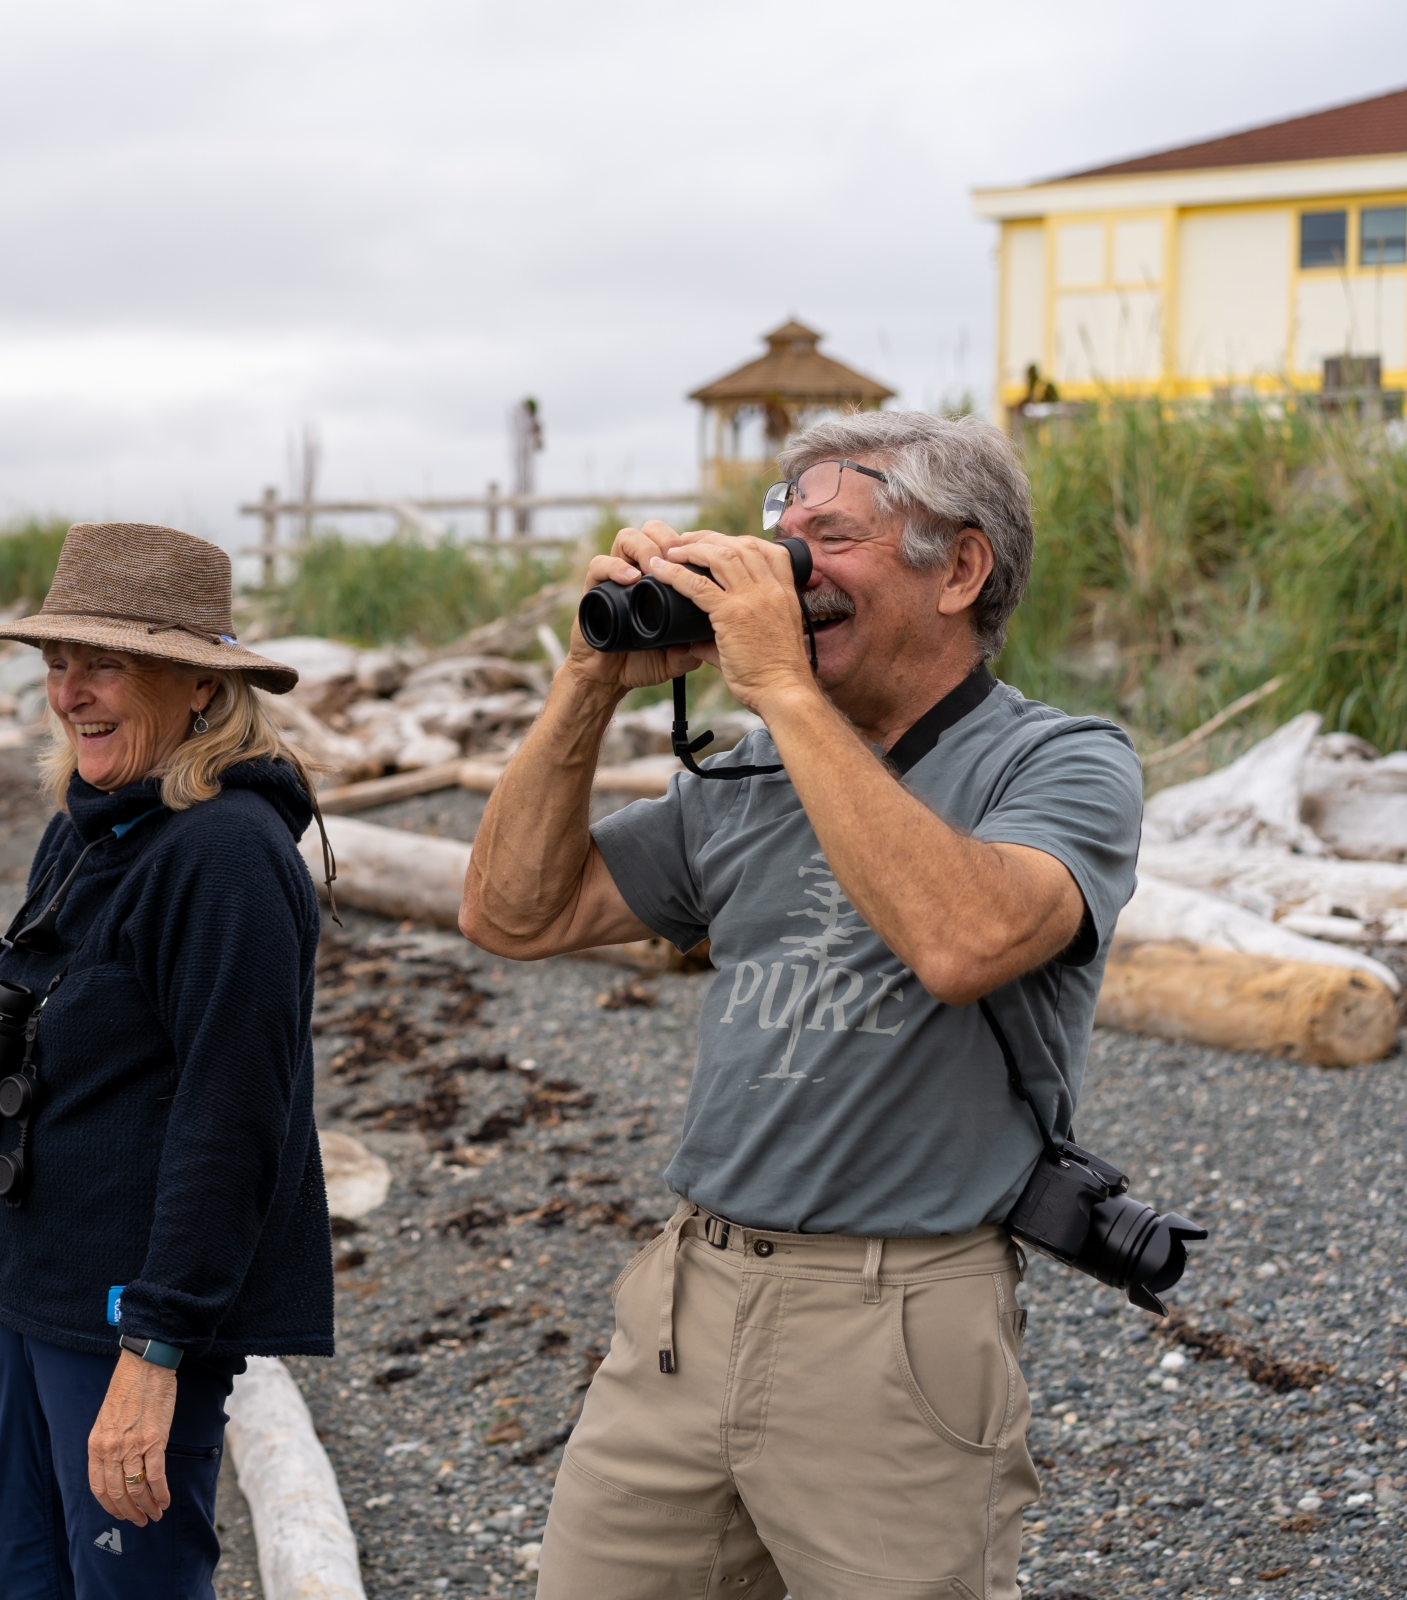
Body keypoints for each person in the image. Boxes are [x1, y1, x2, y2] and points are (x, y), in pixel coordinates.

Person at [459, 413, 1142, 1599]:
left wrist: (781, 684)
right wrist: (587, 683)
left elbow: (962, 937)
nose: (790, 566)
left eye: (831, 537)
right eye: (783, 535)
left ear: (961, 569)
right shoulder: (754, 770)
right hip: (688, 1300)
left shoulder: (1062, 760)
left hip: (897, 1320)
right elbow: (517, 914)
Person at [0, 521, 335, 1599]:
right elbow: (61, 982)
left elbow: (236, 1121)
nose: (70, 692)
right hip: (27, 1287)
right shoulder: (97, 822)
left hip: (126, 1315)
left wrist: (157, 1351)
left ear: (198, 686)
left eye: (105, 664)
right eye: (57, 664)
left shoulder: (226, 856)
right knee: (28, 1576)